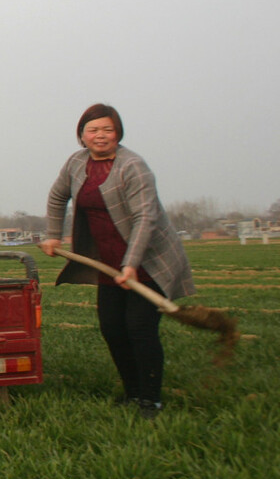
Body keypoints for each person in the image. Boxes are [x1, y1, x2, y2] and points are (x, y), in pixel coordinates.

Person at [39, 104, 194, 420]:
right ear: (82, 135)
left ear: (118, 133)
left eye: (107, 129)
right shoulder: (76, 163)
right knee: (112, 329)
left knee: (140, 328)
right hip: (108, 263)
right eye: (93, 130)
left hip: (149, 261)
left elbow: (145, 218)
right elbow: (57, 197)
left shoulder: (133, 166)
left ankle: (151, 401)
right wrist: (53, 234)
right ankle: (132, 392)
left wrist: (131, 263)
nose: (100, 136)